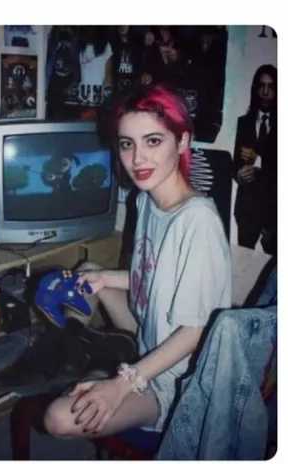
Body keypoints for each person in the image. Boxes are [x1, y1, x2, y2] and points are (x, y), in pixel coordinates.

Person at [44, 84, 231, 438]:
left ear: (183, 141)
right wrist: (104, 281)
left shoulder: (197, 221)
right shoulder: (146, 200)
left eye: (153, 141)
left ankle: (101, 372)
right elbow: (154, 275)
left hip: (176, 377)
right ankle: (79, 352)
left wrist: (123, 384)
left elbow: (195, 331)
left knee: (58, 418)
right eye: (127, 144)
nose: (137, 159)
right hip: (147, 335)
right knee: (88, 275)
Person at [233, 64, 277, 255]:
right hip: (247, 209)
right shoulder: (244, 123)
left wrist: (258, 161)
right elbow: (236, 162)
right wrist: (238, 175)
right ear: (255, 89)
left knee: (276, 272)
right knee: (243, 266)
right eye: (261, 86)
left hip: (275, 209)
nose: (265, 92)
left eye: (271, 87)